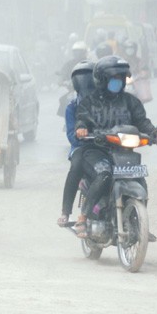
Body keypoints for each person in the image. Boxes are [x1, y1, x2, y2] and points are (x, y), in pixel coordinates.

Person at [72, 56, 157, 237]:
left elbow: (142, 122)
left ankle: (137, 223)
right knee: (104, 174)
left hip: (123, 151)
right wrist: (82, 129)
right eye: (113, 78)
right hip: (96, 149)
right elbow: (82, 119)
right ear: (102, 80)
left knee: (140, 180)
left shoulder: (131, 102)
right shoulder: (90, 102)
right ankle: (83, 217)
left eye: (121, 78)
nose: (118, 82)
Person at [57, 61, 95, 227]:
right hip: (81, 147)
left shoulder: (105, 103)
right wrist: (82, 135)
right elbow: (72, 136)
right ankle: (66, 212)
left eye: (89, 78)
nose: (85, 82)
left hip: (105, 146)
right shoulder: (72, 106)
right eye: (82, 79)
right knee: (76, 167)